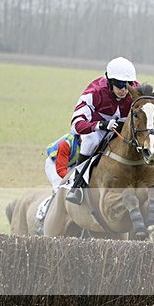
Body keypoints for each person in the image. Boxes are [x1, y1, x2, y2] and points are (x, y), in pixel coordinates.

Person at [65, 57, 140, 204]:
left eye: (128, 84)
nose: (124, 89)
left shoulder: (136, 91)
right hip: (99, 130)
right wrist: (100, 125)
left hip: (124, 131)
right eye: (119, 84)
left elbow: (150, 110)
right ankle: (77, 184)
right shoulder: (95, 92)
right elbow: (76, 124)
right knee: (90, 140)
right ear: (109, 81)